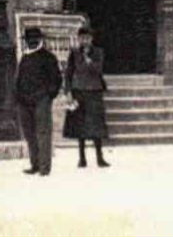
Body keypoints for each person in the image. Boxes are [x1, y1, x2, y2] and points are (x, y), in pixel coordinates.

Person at [14, 26, 62, 176]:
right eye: (29, 40)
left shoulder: (48, 57)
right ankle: (34, 164)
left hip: (41, 99)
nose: (32, 42)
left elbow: (56, 80)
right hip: (24, 101)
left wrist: (48, 96)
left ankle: (44, 167)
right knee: (29, 133)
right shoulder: (24, 57)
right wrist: (19, 96)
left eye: (34, 39)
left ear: (40, 40)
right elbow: (19, 79)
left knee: (43, 133)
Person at [63, 26, 110, 169]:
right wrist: (68, 91)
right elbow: (68, 73)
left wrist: (89, 60)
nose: (85, 41)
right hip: (79, 91)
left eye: (87, 38)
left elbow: (99, 70)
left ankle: (100, 157)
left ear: (92, 39)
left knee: (96, 126)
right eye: (82, 38)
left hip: (94, 91)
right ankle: (82, 158)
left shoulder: (98, 53)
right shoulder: (74, 54)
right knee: (80, 126)